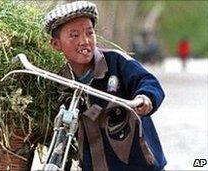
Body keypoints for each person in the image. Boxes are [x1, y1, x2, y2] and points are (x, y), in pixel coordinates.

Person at [44, 1, 166, 171]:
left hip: (140, 165)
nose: (84, 41)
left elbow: (148, 81)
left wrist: (145, 98)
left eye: (89, 33)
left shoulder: (116, 62)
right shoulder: (59, 82)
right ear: (56, 44)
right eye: (74, 35)